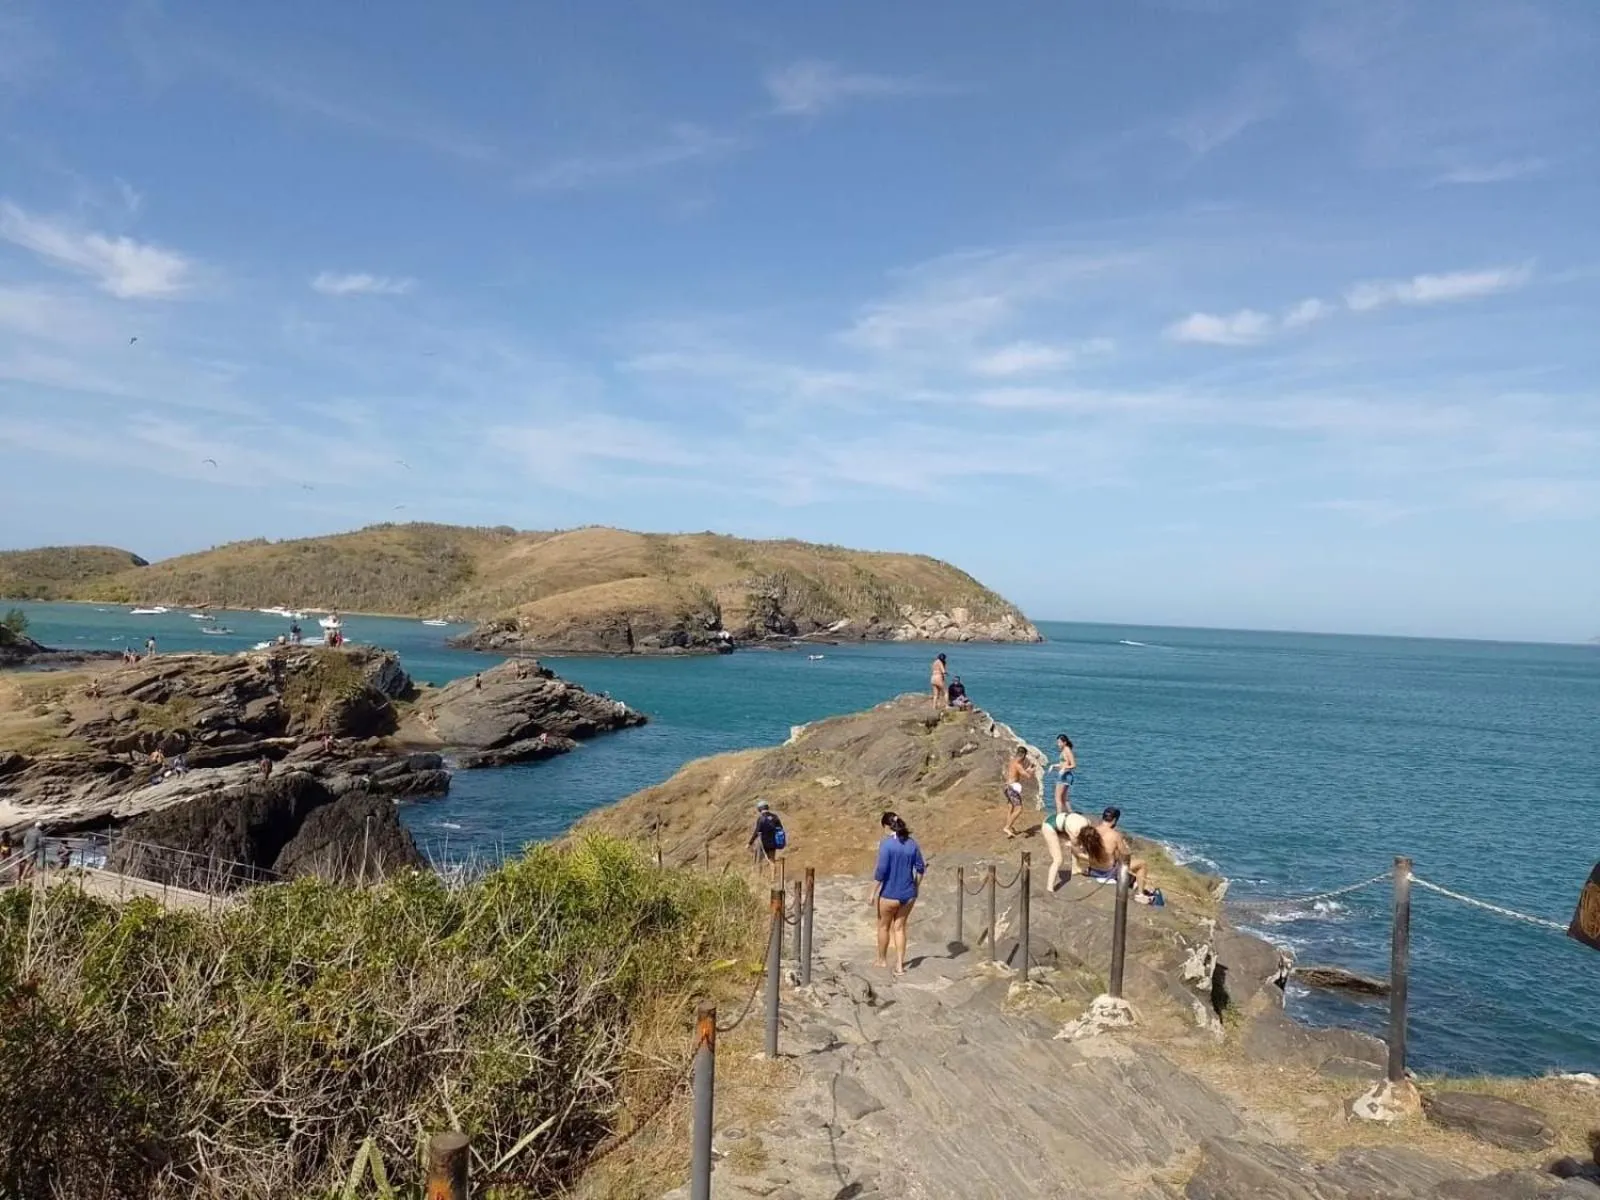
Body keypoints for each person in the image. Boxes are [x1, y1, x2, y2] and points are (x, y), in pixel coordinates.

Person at [871, 814, 925, 976]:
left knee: (883, 926)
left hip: (889, 893)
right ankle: (900, 965)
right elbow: (920, 868)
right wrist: (916, 886)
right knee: (900, 928)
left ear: (886, 826)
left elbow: (881, 871)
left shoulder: (887, 845)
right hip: (908, 894)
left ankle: (882, 960)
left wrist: (872, 891)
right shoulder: (912, 844)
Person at [1088, 806, 1154, 897]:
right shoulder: (1115, 835)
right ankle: (1140, 894)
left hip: (1093, 869)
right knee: (1142, 864)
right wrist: (1126, 847)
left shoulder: (1092, 831)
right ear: (1114, 820)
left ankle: (1134, 883)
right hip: (1107, 872)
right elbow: (1125, 855)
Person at [747, 800, 785, 881]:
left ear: (759, 809)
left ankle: (758, 878)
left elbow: (756, 832)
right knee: (772, 860)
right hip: (773, 842)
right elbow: (780, 828)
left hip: (763, 843)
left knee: (759, 860)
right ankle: (773, 879)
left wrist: (749, 843)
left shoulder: (761, 818)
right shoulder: (775, 817)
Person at [1002, 745, 1030, 839]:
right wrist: (1032, 770)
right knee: (1019, 809)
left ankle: (1009, 827)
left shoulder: (1012, 761)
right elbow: (1027, 776)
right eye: (1025, 756)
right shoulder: (1018, 765)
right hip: (1012, 788)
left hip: (1007, 787)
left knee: (1011, 807)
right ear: (1023, 755)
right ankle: (1007, 827)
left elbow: (1019, 772)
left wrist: (1027, 770)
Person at [1053, 734, 1077, 812]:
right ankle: (1070, 813)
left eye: (1060, 742)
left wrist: (1064, 768)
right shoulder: (1064, 750)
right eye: (1057, 742)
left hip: (1065, 776)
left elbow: (1073, 765)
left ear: (1065, 742)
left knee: (1057, 798)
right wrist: (1054, 765)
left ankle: (1059, 815)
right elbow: (1063, 763)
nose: (1058, 744)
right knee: (1064, 799)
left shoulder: (1067, 750)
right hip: (1064, 775)